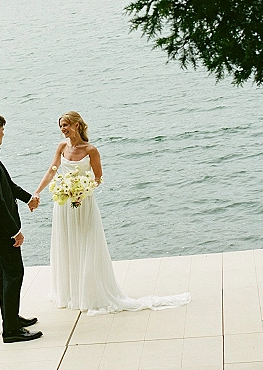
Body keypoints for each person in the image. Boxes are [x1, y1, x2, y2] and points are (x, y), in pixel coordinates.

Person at [32, 111, 191, 315]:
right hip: (63, 204)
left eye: (66, 125)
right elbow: (52, 170)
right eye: (61, 126)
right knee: (67, 243)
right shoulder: (61, 147)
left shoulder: (91, 150)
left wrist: (82, 189)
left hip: (83, 203)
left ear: (77, 126)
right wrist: (38, 191)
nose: (63, 129)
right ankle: (71, 292)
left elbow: (98, 178)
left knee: (87, 244)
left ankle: (90, 291)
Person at [0, 113, 43, 343]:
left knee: (3, 274)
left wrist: (28, 198)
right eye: (2, 130)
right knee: (14, 273)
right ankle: (11, 330)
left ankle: (11, 318)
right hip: (1, 229)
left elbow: (7, 185)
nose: (3, 134)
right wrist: (15, 231)